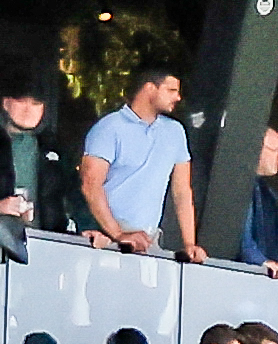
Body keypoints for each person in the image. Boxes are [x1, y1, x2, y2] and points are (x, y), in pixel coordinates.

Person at [77, 65, 199, 258]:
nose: (177, 97)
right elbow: (90, 184)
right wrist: (118, 234)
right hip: (106, 235)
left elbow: (182, 192)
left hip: (149, 239)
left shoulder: (176, 132)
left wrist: (190, 244)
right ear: (149, 88)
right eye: (171, 90)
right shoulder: (109, 127)